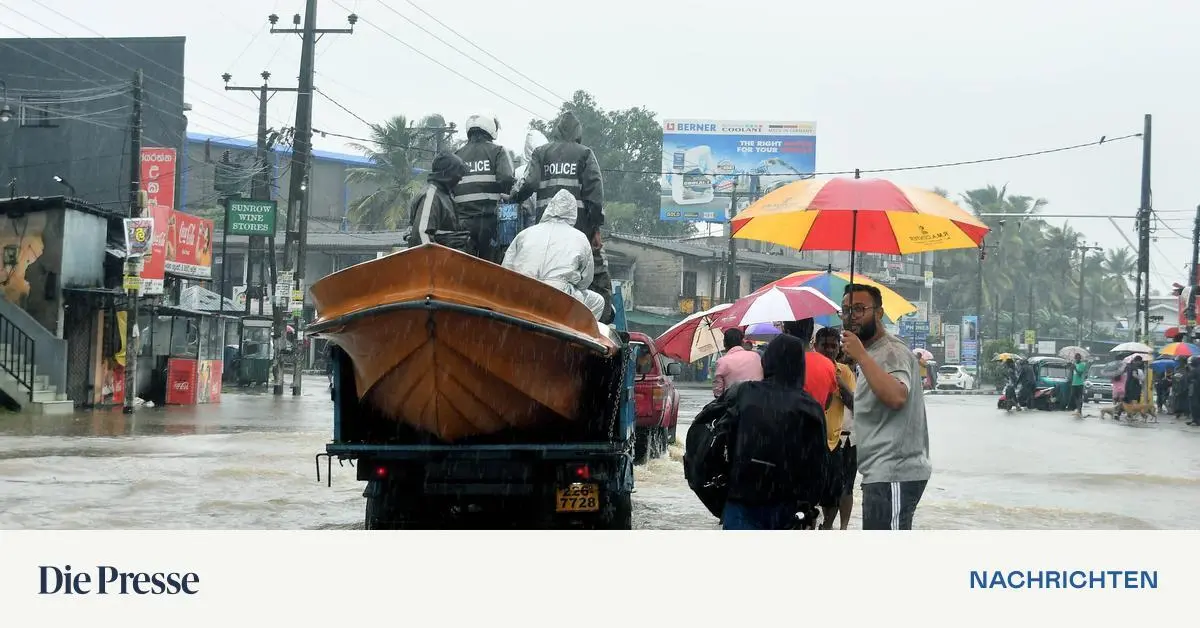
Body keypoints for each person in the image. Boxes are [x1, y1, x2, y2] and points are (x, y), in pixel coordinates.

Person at [840, 284, 931, 530]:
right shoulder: (872, 354)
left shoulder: (890, 352)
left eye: (860, 309)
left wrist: (861, 356)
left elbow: (897, 396)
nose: (852, 316)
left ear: (879, 313)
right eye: (846, 310)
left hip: (895, 471)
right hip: (881, 472)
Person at [718, 334, 831, 530]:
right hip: (789, 507)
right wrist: (809, 504)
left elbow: (722, 436)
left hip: (743, 499)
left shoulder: (745, 393)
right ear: (799, 366)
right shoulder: (810, 408)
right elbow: (818, 465)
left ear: (767, 361)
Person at [511, 111, 612, 323]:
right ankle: (600, 329)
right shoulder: (585, 154)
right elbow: (595, 196)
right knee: (598, 277)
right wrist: (595, 229)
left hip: (544, 228)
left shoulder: (541, 152)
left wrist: (513, 197)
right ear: (578, 134)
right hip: (580, 231)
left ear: (556, 132)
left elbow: (528, 184)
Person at [501, 189, 605, 319]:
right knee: (598, 302)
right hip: (558, 296)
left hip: (522, 292)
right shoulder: (580, 238)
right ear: (573, 213)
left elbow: (505, 270)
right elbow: (586, 280)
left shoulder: (525, 233)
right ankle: (572, 335)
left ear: (549, 208)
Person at [815, 327, 856, 530]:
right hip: (811, 440)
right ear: (816, 346)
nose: (830, 350)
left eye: (833, 346)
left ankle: (832, 527)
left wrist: (839, 384)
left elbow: (855, 405)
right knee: (811, 491)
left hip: (837, 441)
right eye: (825, 346)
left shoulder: (845, 372)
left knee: (837, 491)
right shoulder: (807, 369)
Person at [407, 152, 472, 252]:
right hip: (434, 264)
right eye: (458, 173)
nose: (460, 178)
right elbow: (422, 236)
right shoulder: (431, 196)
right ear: (448, 173)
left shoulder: (445, 196)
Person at [712, 328, 763, 397]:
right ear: (742, 342)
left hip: (735, 403)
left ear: (724, 343)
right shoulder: (756, 356)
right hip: (759, 399)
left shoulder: (722, 361)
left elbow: (718, 392)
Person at [1188, 356, 1200, 426]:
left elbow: (1189, 379)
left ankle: (1195, 420)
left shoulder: (1194, 370)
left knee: (1194, 405)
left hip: (1195, 390)